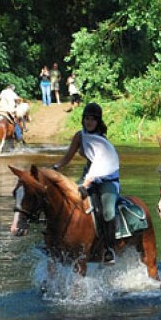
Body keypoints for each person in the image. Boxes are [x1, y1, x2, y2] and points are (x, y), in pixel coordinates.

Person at [52, 102, 119, 264]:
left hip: (106, 180)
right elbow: (68, 157)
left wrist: (86, 184)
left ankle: (109, 249)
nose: (89, 122)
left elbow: (98, 165)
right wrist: (55, 167)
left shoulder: (101, 141)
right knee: (65, 201)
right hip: (87, 176)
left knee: (108, 212)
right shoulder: (79, 136)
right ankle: (57, 241)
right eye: (86, 119)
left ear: (98, 122)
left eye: (93, 119)